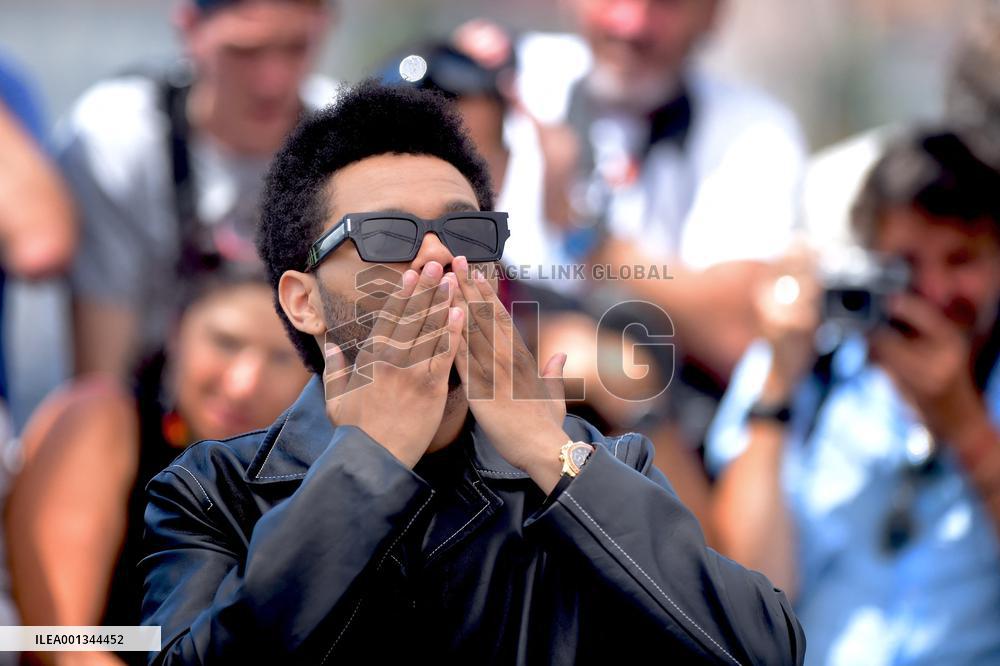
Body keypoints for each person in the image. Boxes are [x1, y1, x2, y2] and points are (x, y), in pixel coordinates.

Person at [139, 80, 805, 663]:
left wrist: (547, 449)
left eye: (467, 236)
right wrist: (369, 463)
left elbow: (762, 649)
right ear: (304, 301)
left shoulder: (583, 467)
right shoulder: (212, 491)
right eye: (388, 237)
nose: (438, 262)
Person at [707, 130, 1000, 664]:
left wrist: (968, 430)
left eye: (961, 261)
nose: (934, 294)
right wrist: (777, 386)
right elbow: (750, 590)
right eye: (906, 266)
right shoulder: (806, 362)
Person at [6, 262, 309, 665]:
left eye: (280, 359)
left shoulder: (304, 479)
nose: (244, 383)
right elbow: (54, 641)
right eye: (225, 342)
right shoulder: (106, 421)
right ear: (177, 333)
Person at [57, 0, 337, 380]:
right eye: (245, 51)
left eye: (296, 48)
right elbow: (101, 377)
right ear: (189, 28)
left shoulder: (343, 135)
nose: (273, 82)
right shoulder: (120, 136)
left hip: (303, 403)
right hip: (160, 403)